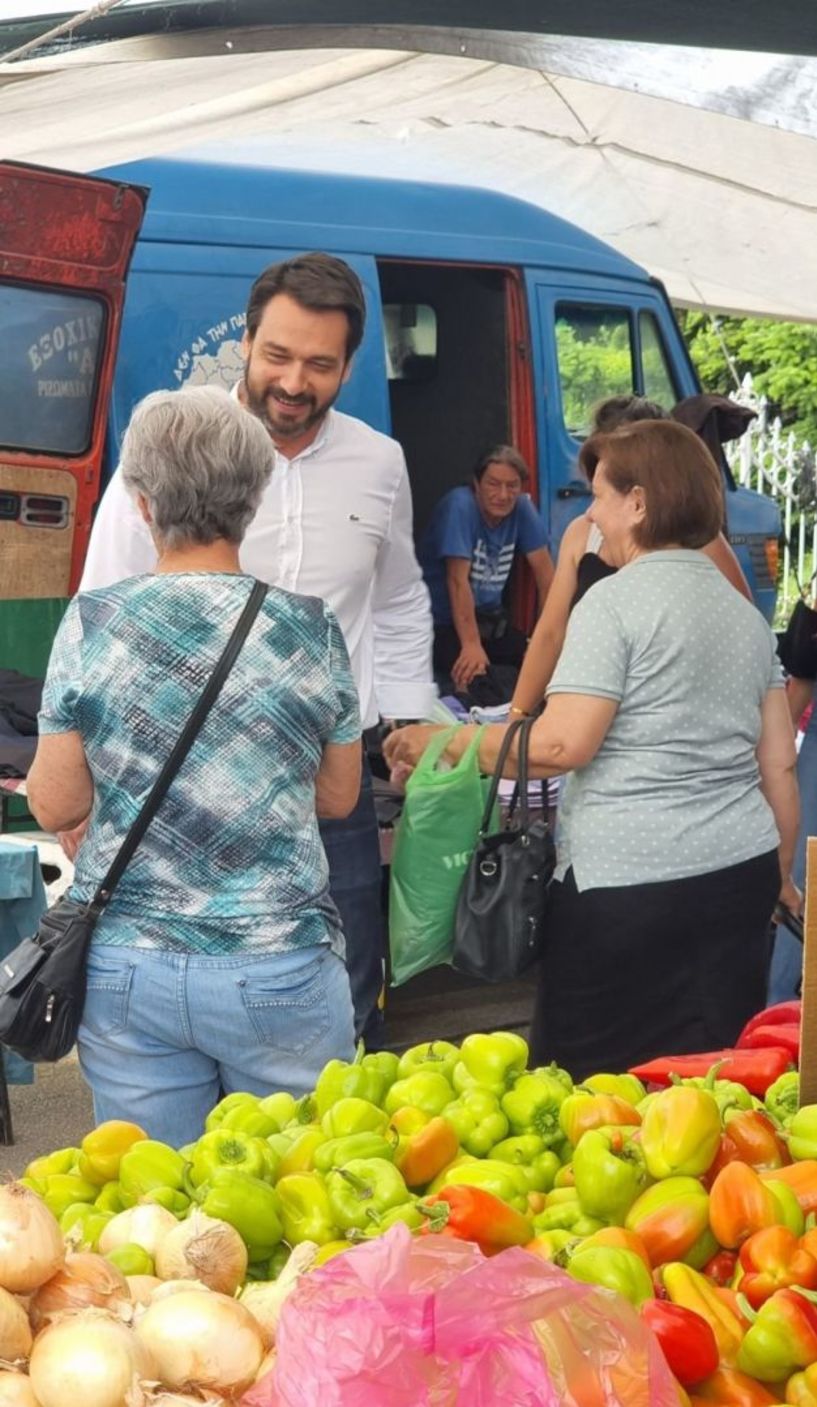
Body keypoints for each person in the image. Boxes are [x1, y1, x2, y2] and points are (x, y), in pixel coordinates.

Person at [77, 252, 436, 1045]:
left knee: (340, 991)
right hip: (179, 782)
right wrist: (93, 774)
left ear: (349, 364)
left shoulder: (379, 463)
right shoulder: (172, 444)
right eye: (277, 355)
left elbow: (399, 598)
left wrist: (411, 718)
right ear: (245, 341)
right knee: (174, 997)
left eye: (320, 363)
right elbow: (103, 604)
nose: (294, 381)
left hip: (327, 783)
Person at [385, 420, 799, 1077]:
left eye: (598, 495)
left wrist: (449, 739)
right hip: (737, 873)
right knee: (708, 1079)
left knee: (591, 1085)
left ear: (638, 503)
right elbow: (777, 761)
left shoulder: (609, 603)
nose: (591, 515)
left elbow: (561, 742)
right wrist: (776, 873)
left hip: (627, 888)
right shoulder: (743, 614)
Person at [27, 388, 360, 1145]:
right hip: (278, 963)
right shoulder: (309, 629)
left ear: (142, 503)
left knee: (161, 1220)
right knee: (304, 1194)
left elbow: (53, 804)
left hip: (129, 968)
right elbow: (340, 795)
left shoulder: (92, 622)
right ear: (253, 498)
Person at [508, 397, 751, 719]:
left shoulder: (697, 536)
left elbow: (742, 629)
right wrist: (517, 713)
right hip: (588, 710)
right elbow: (551, 633)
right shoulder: (582, 532)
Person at [418, 446, 554, 704]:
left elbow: (547, 578)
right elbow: (457, 581)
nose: (503, 495)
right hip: (444, 625)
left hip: (489, 624)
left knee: (544, 665)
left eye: (512, 486)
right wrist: (470, 646)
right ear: (476, 484)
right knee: (476, 679)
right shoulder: (460, 506)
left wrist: (542, 638)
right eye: (493, 484)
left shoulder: (521, 508)